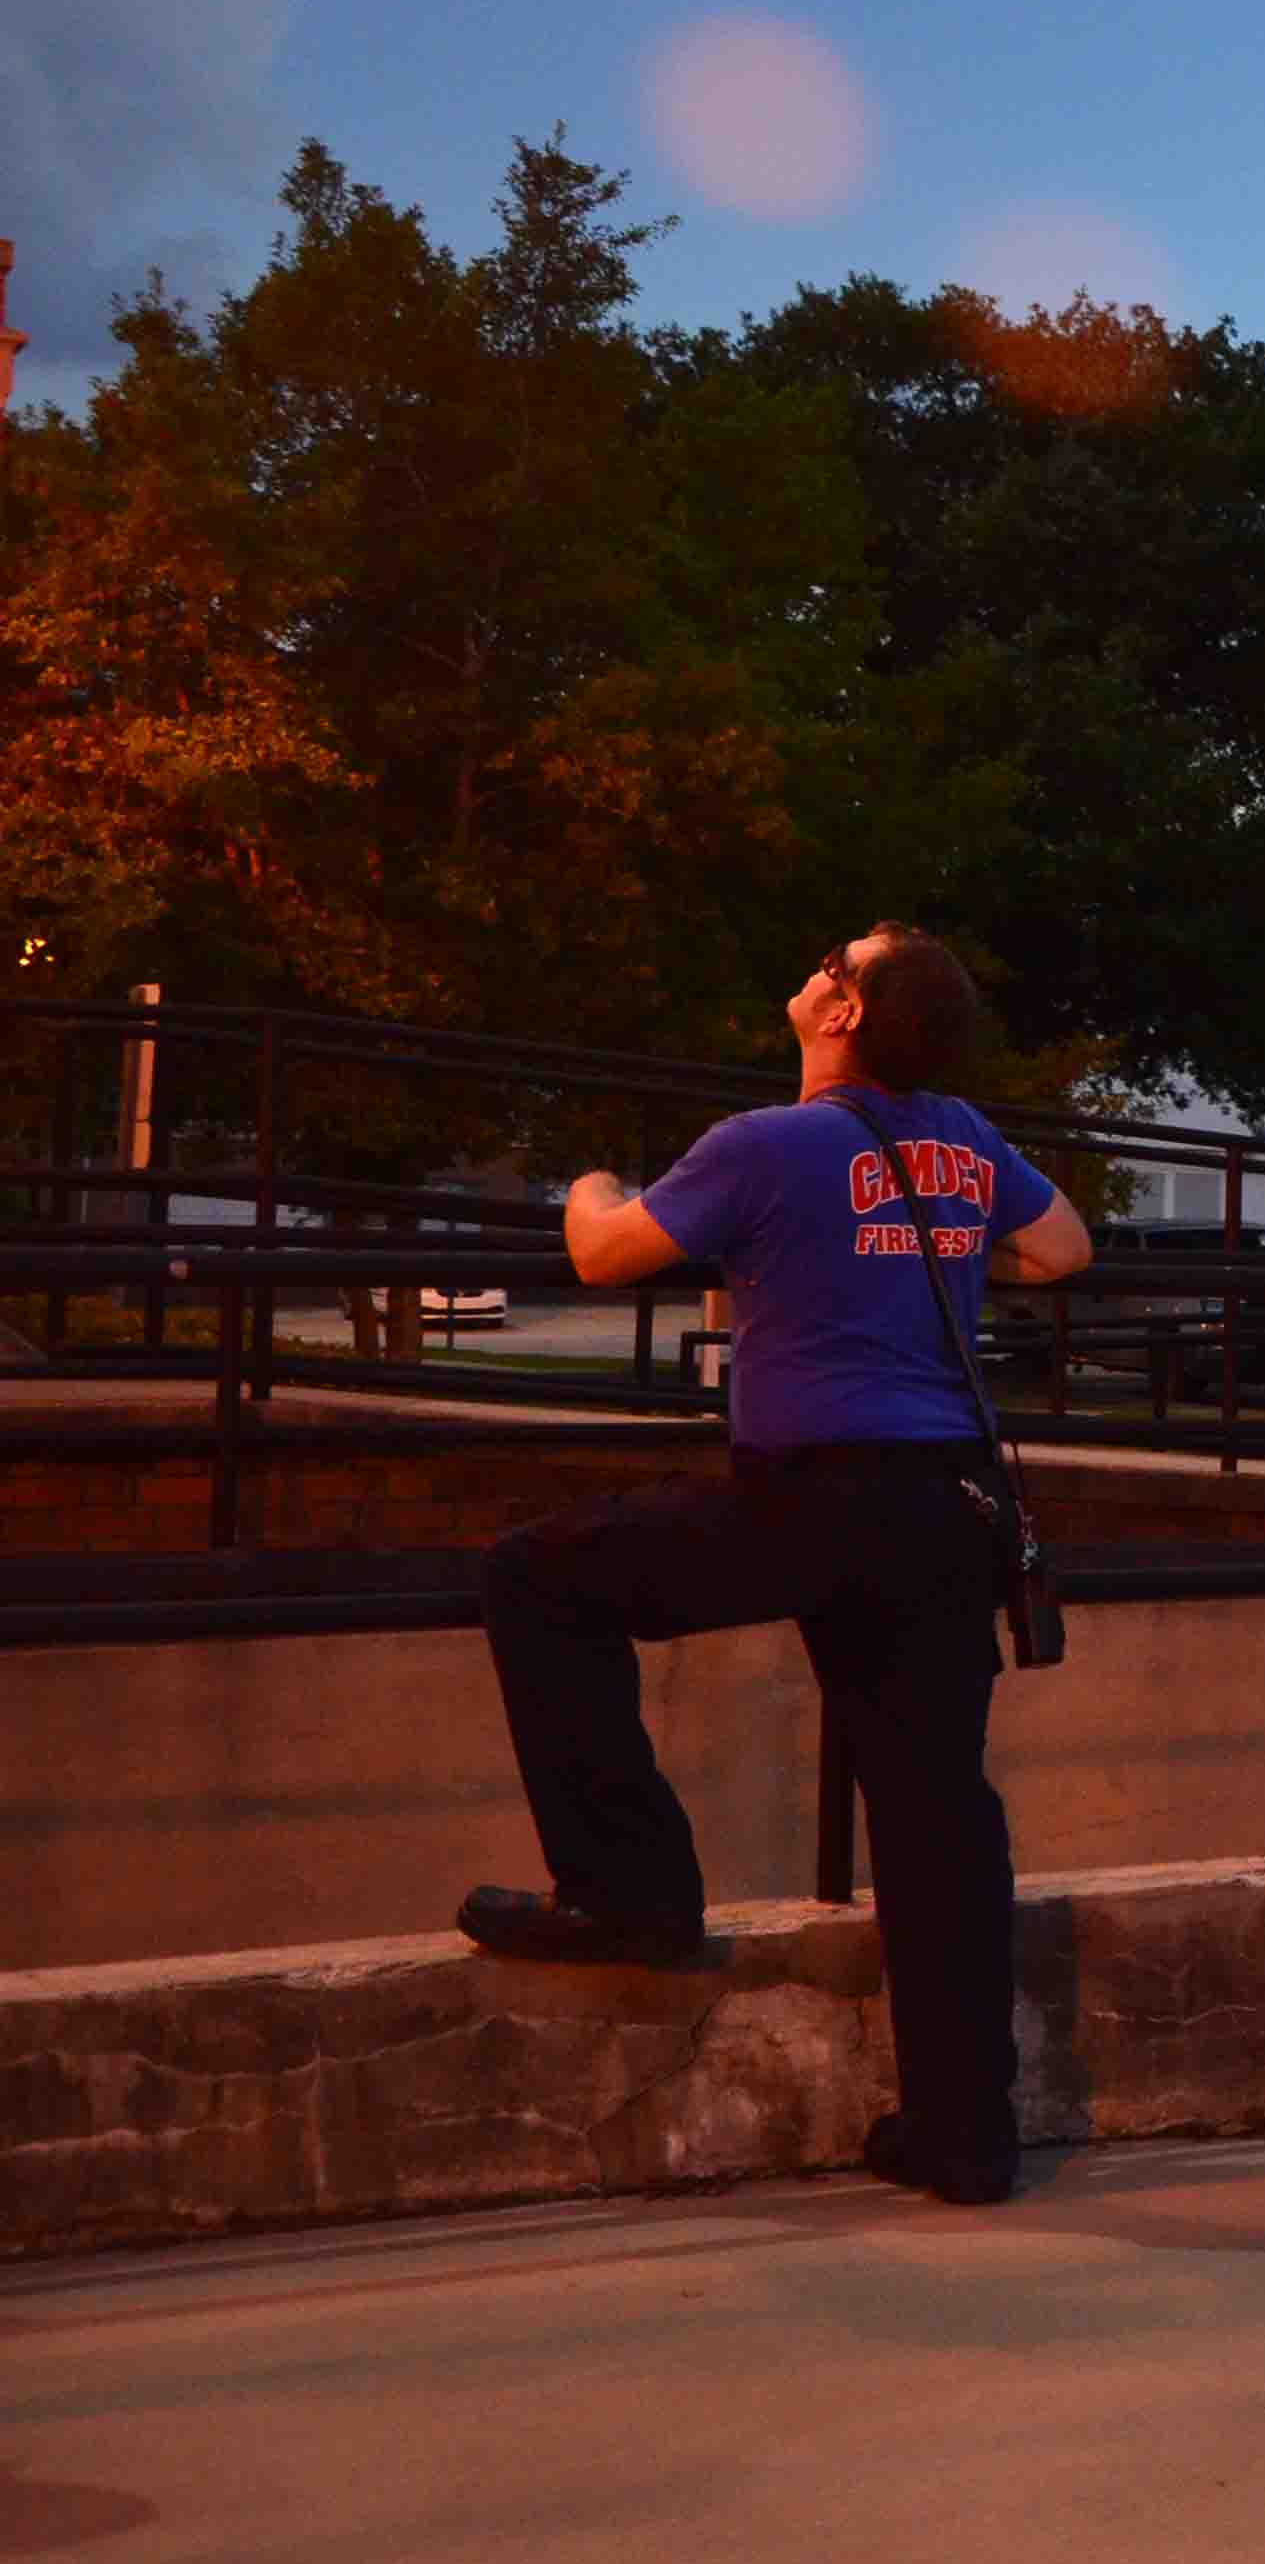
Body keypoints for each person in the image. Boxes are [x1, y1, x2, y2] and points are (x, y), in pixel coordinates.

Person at [456, 925, 1090, 2208]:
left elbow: (603, 1253)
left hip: (807, 1498)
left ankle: (631, 1892)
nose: (815, 969)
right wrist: (956, 1250)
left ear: (843, 1016)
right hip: (938, 1507)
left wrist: (582, 1182)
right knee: (933, 1813)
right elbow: (1063, 1247)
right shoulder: (963, 1138)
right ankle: (966, 2139)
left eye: (837, 963)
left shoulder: (763, 1144)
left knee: (537, 1579)